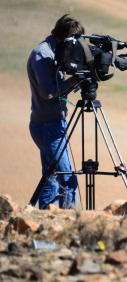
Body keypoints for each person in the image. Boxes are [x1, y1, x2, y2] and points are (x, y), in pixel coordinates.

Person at [27, 14, 82, 209]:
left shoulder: (55, 52)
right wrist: (73, 81)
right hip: (47, 127)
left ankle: (46, 221)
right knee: (67, 179)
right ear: (65, 39)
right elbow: (48, 93)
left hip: (53, 124)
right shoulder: (43, 55)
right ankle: (71, 226)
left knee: (50, 177)